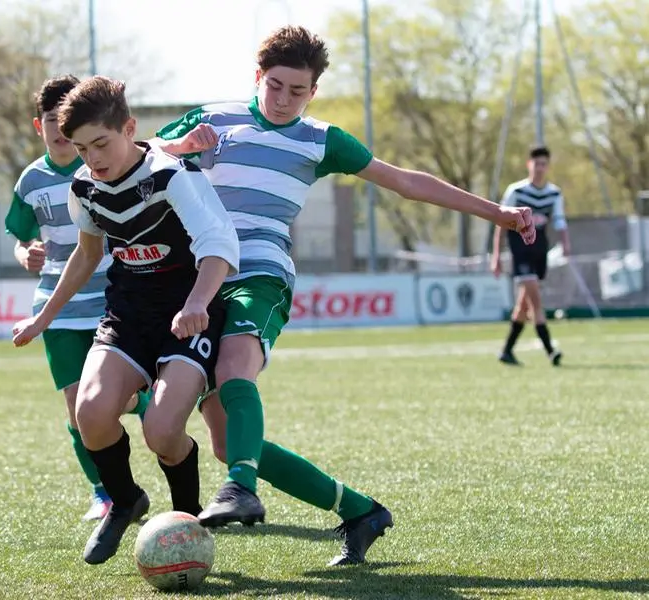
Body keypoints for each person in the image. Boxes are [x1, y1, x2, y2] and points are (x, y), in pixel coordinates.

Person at [152, 25, 536, 565]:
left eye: (298, 91)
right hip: (194, 281)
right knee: (227, 440)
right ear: (257, 77)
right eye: (276, 86)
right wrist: (179, 147)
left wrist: (498, 213)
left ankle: (239, 489)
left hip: (261, 273)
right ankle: (359, 511)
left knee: (236, 370)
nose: (285, 100)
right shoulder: (212, 118)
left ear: (314, 92)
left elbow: (406, 181)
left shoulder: (321, 139)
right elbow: (140, 159)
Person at [11, 76, 240, 566]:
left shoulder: (171, 175)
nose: (92, 158)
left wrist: (198, 302)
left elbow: (218, 245)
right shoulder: (84, 188)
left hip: (189, 315)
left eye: (101, 143)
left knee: (161, 430)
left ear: (129, 128)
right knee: (89, 415)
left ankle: (187, 518)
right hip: (128, 314)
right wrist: (41, 317)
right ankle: (125, 500)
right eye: (80, 148)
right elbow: (86, 254)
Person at [4, 75, 148, 523]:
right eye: (51, 119)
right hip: (60, 307)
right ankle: (104, 492)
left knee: (115, 399)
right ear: (40, 124)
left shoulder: (104, 167)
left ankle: (141, 403)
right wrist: (24, 252)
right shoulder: (31, 181)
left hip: (112, 300)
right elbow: (19, 236)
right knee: (75, 406)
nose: (60, 129)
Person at [492, 145, 569, 366]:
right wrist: (496, 255)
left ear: (548, 166)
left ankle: (506, 350)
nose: (540, 168)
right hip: (521, 251)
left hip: (539, 250)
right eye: (537, 164)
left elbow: (560, 221)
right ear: (529, 165)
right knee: (535, 300)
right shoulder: (516, 191)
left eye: (544, 164)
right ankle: (550, 350)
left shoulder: (554, 193)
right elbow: (501, 223)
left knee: (524, 305)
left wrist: (566, 243)